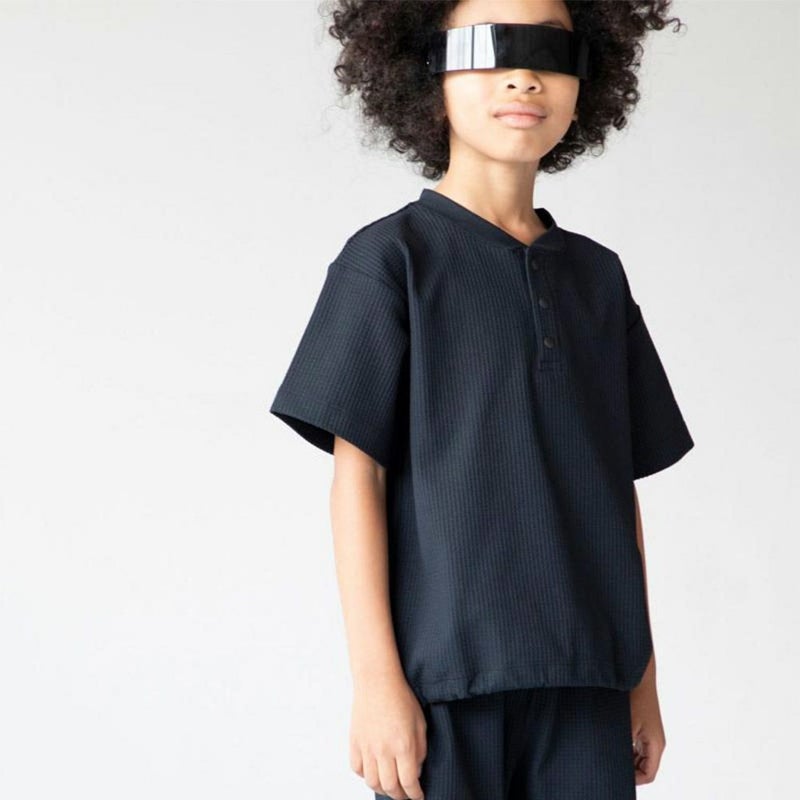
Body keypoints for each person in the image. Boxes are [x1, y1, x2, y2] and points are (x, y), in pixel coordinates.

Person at [269, 1, 694, 798]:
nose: (523, 76)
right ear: (425, 71)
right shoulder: (389, 262)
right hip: (445, 686)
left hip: (590, 684)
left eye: (550, 53)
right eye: (490, 49)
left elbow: (616, 488)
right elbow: (357, 478)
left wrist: (642, 680)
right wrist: (375, 682)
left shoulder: (598, 279)